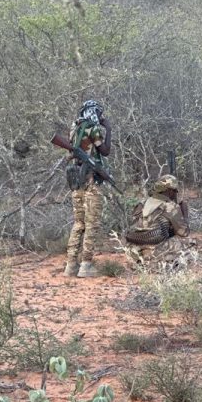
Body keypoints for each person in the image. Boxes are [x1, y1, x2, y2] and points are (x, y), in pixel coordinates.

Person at [64, 99, 112, 278]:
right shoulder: (93, 128)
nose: (101, 117)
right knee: (91, 223)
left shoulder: (74, 128)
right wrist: (109, 129)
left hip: (76, 181)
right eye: (99, 113)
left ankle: (70, 265)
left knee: (78, 223)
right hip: (91, 182)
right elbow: (105, 151)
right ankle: (86, 264)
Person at [123, 174, 190, 265]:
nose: (175, 193)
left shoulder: (143, 203)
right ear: (170, 191)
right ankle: (165, 261)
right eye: (175, 191)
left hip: (133, 251)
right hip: (155, 251)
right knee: (188, 242)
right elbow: (184, 232)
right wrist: (184, 214)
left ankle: (141, 259)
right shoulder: (170, 206)